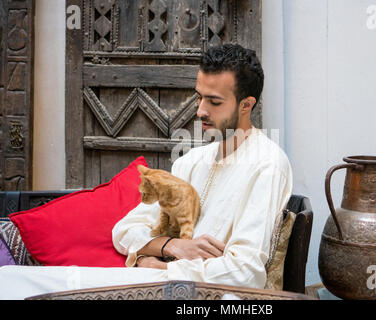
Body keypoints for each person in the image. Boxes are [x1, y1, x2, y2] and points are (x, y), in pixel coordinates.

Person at [0, 44, 293, 299]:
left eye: (214, 101)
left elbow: (246, 272)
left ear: (246, 105)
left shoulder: (267, 164)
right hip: (151, 280)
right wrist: (172, 246)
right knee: (12, 281)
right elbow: (124, 231)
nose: (200, 110)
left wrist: (164, 267)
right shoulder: (191, 161)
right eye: (199, 96)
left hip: (194, 293)